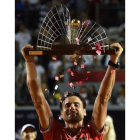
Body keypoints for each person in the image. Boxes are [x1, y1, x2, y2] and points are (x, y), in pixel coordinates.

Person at [21, 42, 123, 140]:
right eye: (67, 105)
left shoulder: (92, 132)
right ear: (61, 113)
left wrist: (113, 61)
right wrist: (29, 62)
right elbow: (38, 101)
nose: (72, 107)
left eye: (76, 105)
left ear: (84, 111)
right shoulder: (54, 132)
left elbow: (103, 98)